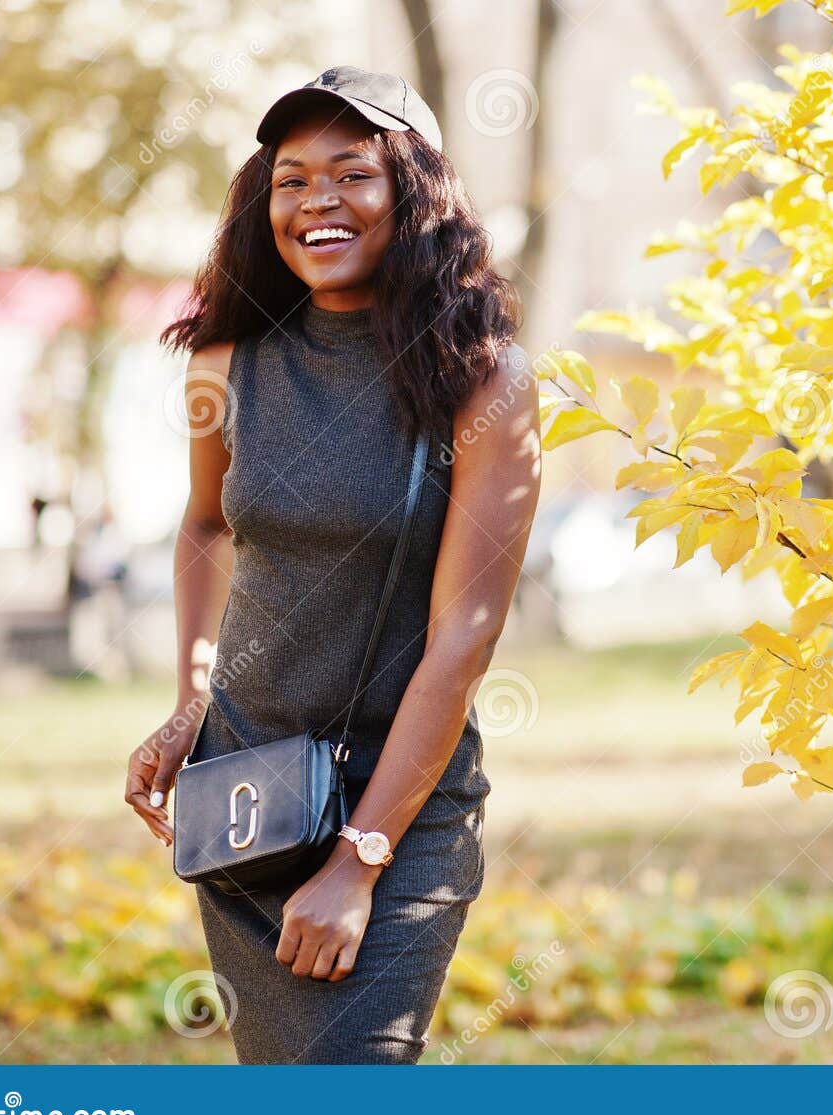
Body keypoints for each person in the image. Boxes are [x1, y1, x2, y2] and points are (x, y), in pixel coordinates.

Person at [123, 66, 538, 1063]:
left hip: (396, 803)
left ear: (414, 191)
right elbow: (209, 527)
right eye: (291, 177)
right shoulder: (227, 363)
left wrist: (360, 862)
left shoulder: (482, 379)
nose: (317, 201)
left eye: (351, 173)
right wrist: (190, 700)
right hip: (248, 795)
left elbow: (463, 643)